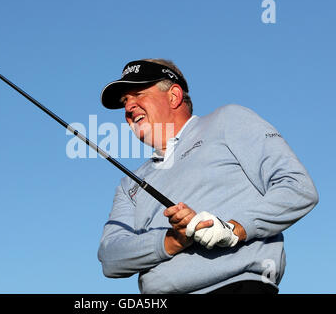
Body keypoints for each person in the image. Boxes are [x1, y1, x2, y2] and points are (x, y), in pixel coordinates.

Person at [97, 58, 319, 294]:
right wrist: (173, 241)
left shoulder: (228, 120)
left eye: (138, 94)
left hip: (236, 287)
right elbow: (110, 258)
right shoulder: (129, 183)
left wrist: (232, 230)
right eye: (125, 101)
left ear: (174, 96)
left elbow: (298, 188)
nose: (129, 108)